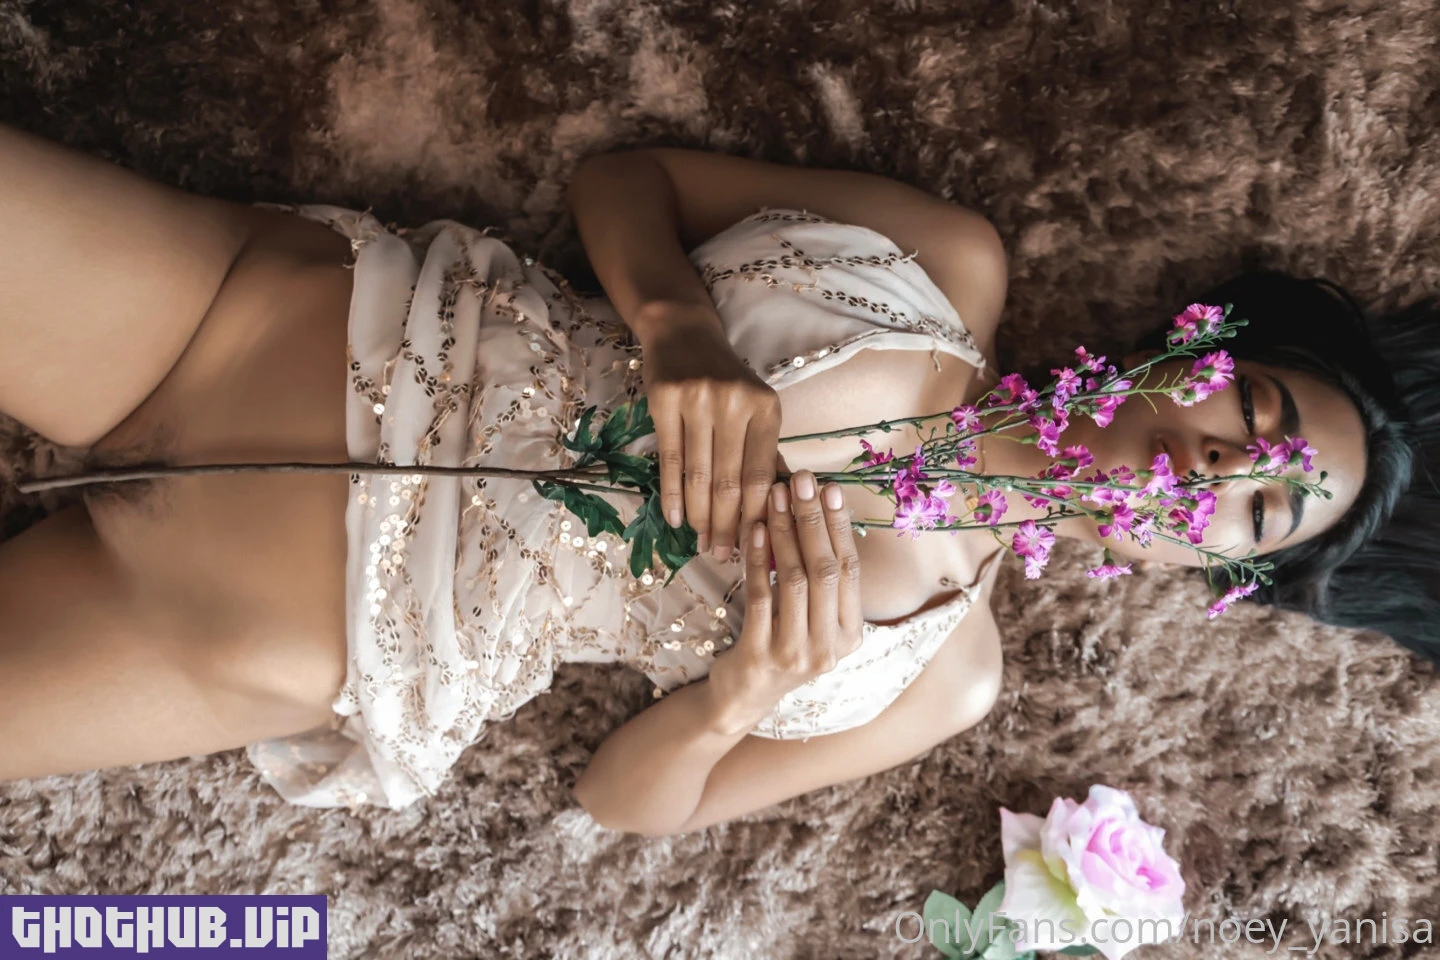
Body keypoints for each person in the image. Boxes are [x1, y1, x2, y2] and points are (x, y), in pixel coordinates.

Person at [0, 124, 1429, 834]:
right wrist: (676, 325)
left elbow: (629, 804)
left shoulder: (948, 676)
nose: (1223, 462)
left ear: (1207, 571)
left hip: (258, 632)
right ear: (1200, 348)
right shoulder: (954, 264)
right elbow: (627, 181)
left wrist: (736, 697)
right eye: (1253, 409)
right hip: (248, 327)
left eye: (1260, 503)